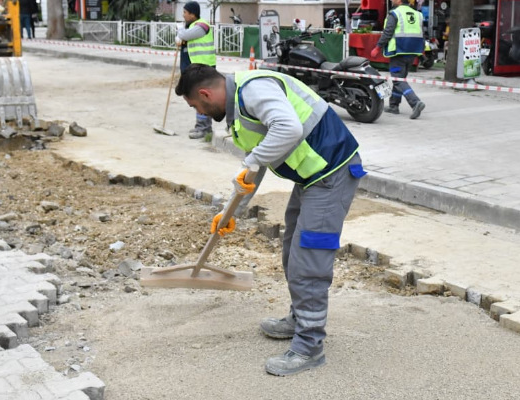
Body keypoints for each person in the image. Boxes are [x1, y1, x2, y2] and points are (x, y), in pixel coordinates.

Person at [175, 65, 365, 376]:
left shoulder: (254, 90)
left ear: (206, 93)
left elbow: (287, 130)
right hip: (312, 177)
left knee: (309, 260)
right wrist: (231, 211)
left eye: (197, 105)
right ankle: (300, 319)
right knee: (292, 250)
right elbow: (255, 167)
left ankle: (309, 346)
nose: (202, 112)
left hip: (333, 173)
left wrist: (252, 160)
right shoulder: (241, 108)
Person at [373, 0, 426, 119]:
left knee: (398, 79)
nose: (391, 0)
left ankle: (415, 102)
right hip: (412, 51)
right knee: (400, 79)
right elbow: (422, 33)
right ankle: (394, 106)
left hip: (399, 51)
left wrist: (378, 47)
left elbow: (388, 32)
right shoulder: (417, 14)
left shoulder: (395, 13)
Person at [176, 1, 217, 139]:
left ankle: (204, 128)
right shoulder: (191, 25)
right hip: (197, 67)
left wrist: (180, 31)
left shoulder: (202, 25)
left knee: (202, 98)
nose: (183, 15)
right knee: (197, 96)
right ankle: (202, 126)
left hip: (205, 67)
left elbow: (185, 36)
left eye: (185, 12)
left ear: (193, 14)